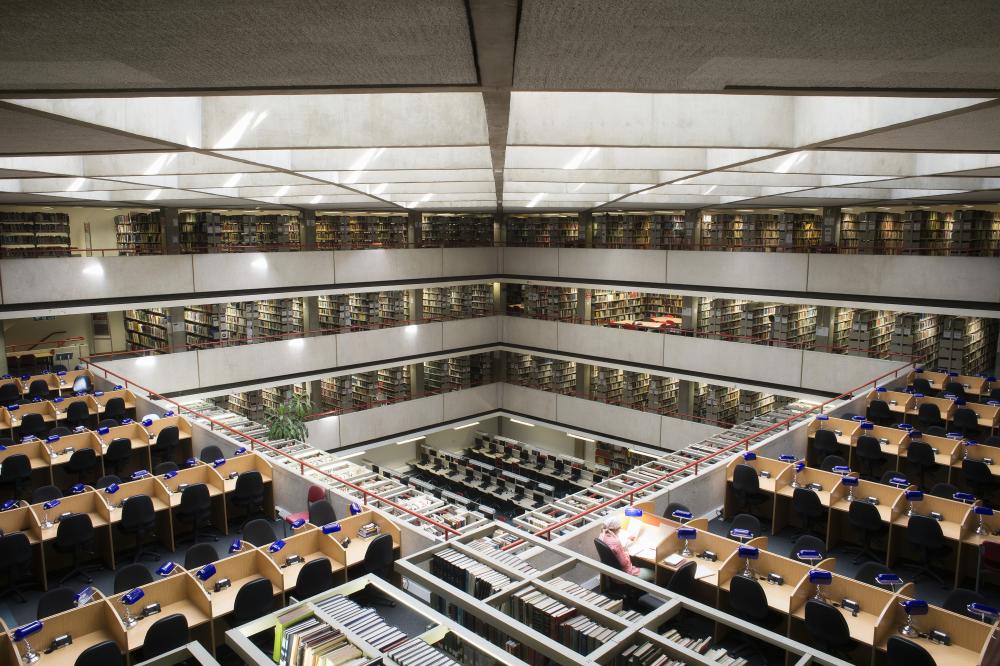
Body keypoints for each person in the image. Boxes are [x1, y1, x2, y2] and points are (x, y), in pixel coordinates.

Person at [600, 515, 655, 582]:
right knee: (654, 574)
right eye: (619, 528)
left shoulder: (602, 535)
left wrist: (626, 540)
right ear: (616, 529)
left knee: (638, 561)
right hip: (626, 575)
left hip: (612, 572)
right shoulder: (615, 543)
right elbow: (624, 563)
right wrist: (626, 552)